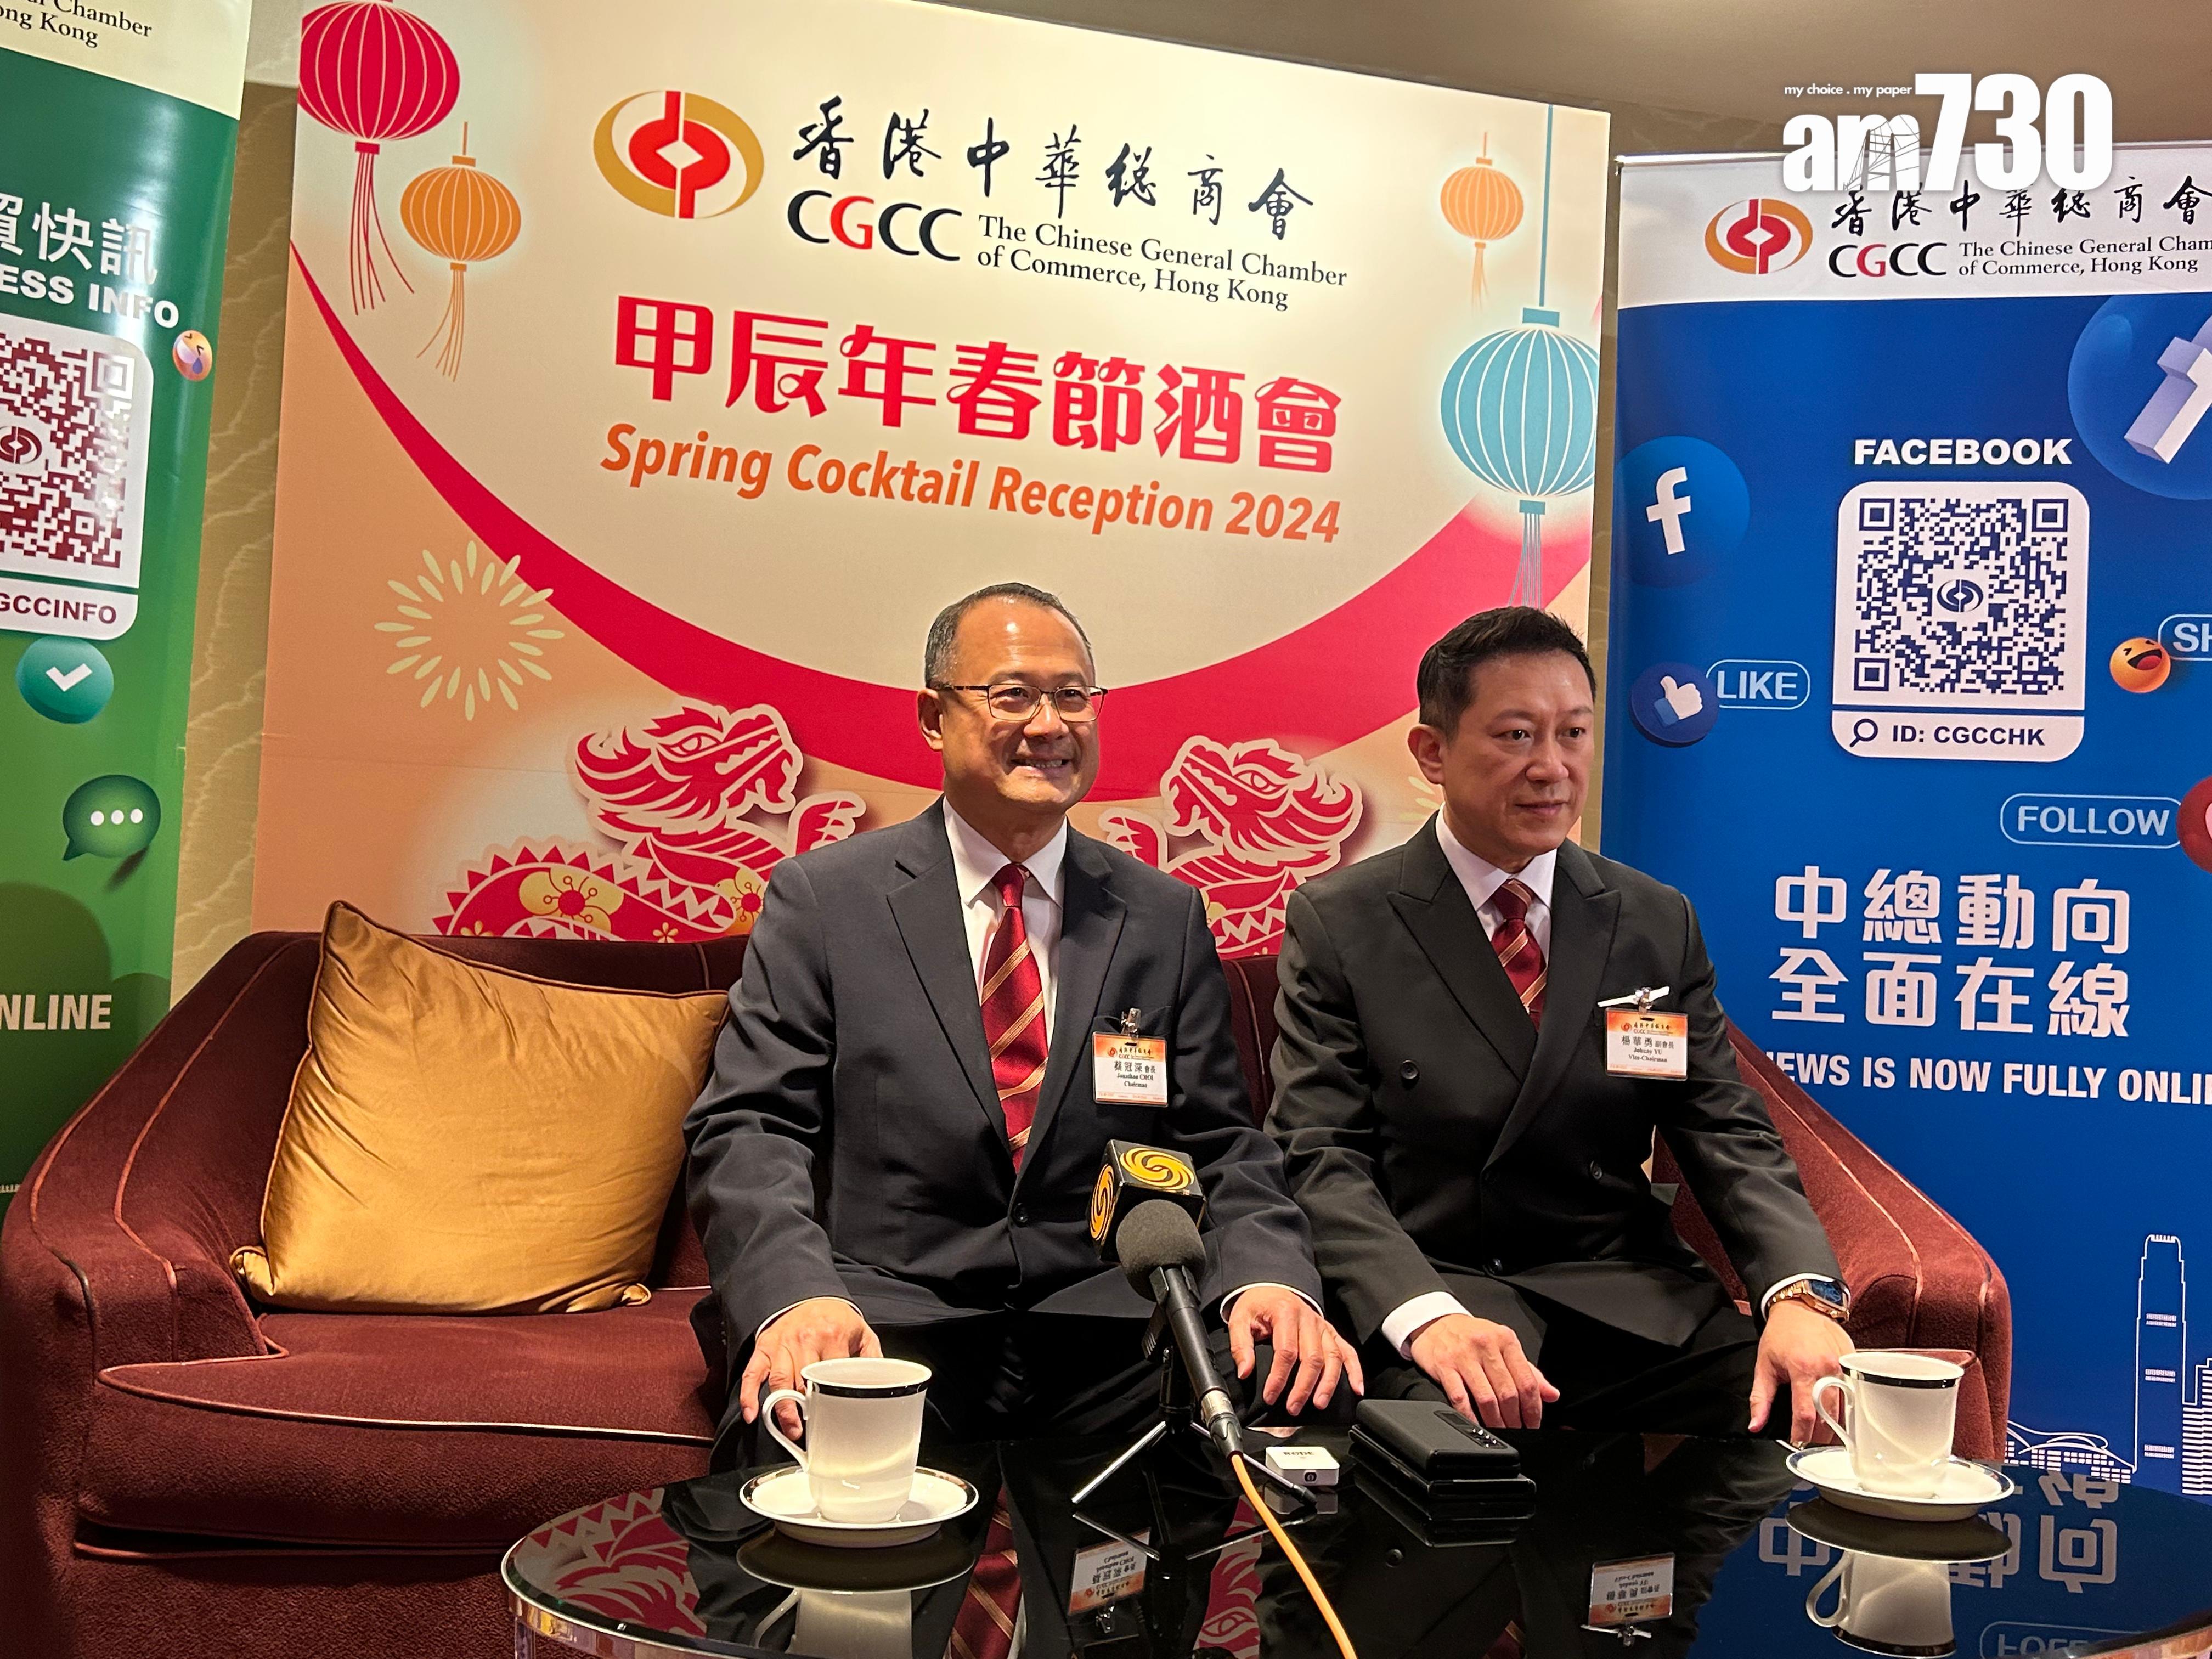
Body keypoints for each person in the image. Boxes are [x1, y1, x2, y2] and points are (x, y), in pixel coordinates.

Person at [686, 582, 1358, 1463]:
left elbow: (1221, 1142)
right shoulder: (827, 900)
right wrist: (796, 1295)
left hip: (1110, 1321)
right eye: (1013, 696)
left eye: (1073, 696)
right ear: (934, 717)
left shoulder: (1161, 916)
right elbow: (750, 1124)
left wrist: (1269, 1277)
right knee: (806, 1437)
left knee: (1298, 1403)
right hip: (891, 1313)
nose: (1050, 724)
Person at [1267, 606, 1852, 1442]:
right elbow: (1319, 1153)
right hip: (1447, 1299)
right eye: (1516, 736)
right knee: (1443, 1471)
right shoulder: (1344, 920)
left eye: (1573, 733)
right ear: (1432, 752)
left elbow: (1725, 1130)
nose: (1552, 768)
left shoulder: (1653, 919)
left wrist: (1799, 1293)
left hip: (1626, 1302)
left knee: (1792, 1422)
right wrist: (1424, 1315)